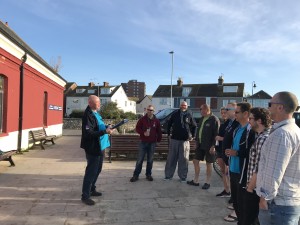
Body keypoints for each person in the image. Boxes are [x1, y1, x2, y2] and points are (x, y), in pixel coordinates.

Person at [256, 91, 300, 225]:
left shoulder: (282, 134)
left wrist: (264, 198)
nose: (268, 108)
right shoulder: (295, 130)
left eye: (270, 104)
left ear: (280, 107)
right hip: (288, 202)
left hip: (277, 205)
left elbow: (273, 172)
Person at [224, 102, 256, 223]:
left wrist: (236, 153)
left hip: (243, 174)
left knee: (244, 206)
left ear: (246, 113)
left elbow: (253, 152)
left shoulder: (251, 131)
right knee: (236, 203)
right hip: (233, 171)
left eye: (237, 112)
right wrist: (228, 163)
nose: (234, 114)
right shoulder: (237, 129)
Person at [80, 95, 114, 206]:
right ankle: (85, 196)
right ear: (90, 103)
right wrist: (105, 132)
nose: (99, 104)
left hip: (101, 147)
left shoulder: (96, 113)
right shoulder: (88, 115)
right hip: (93, 147)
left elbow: (99, 125)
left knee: (97, 170)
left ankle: (92, 189)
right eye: (97, 103)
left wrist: (107, 126)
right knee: (91, 171)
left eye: (99, 102)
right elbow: (88, 133)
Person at [240, 107, 271, 225]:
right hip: (255, 188)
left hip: (255, 190)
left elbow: (259, 169)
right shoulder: (261, 136)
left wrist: (249, 189)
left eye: (251, 118)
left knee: (249, 220)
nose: (249, 121)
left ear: (259, 121)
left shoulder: (263, 139)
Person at [187, 104, 219, 189]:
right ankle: (196, 181)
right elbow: (198, 132)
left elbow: (216, 134)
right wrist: (196, 142)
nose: (200, 111)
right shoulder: (202, 119)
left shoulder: (214, 119)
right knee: (195, 161)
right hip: (200, 144)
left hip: (209, 145)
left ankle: (207, 182)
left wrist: (213, 146)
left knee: (208, 163)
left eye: (201, 109)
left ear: (206, 109)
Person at [164, 101, 197, 182]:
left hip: (185, 141)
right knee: (171, 159)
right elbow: (168, 123)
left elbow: (195, 126)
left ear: (187, 106)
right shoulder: (175, 113)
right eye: (182, 105)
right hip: (174, 139)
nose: (183, 106)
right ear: (180, 106)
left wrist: (193, 136)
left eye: (185, 105)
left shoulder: (189, 114)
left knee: (184, 160)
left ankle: (183, 177)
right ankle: (168, 176)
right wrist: (168, 134)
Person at [130, 105, 162, 182]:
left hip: (152, 143)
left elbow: (159, 132)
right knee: (139, 160)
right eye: (148, 110)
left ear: (153, 111)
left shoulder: (156, 121)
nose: (149, 111)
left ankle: (148, 174)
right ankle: (136, 175)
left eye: (151, 110)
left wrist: (158, 141)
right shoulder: (142, 119)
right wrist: (143, 132)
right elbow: (137, 128)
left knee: (150, 160)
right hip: (143, 142)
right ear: (146, 110)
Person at [215, 107, 231, 197]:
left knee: (227, 172)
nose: (223, 114)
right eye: (222, 113)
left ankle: (230, 191)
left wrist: (221, 138)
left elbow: (231, 138)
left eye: (225, 113)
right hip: (220, 149)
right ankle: (226, 189)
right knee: (222, 171)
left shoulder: (231, 124)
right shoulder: (223, 123)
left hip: (227, 151)